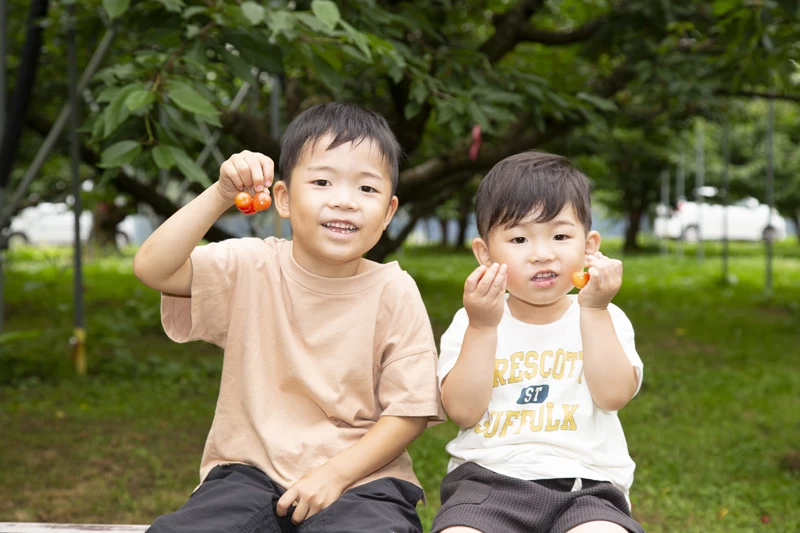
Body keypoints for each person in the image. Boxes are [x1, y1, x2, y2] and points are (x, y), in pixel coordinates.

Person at [133, 102, 445, 533]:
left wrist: (335, 475)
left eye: (366, 190)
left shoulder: (394, 289)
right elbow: (154, 268)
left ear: (389, 212)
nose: (344, 201)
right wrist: (222, 192)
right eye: (321, 181)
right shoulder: (250, 265)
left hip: (364, 479)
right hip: (249, 471)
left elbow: (409, 411)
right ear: (282, 197)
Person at [431, 151, 646, 533]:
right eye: (518, 238)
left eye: (561, 236)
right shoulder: (472, 320)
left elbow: (613, 396)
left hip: (587, 487)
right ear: (484, 254)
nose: (542, 254)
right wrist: (482, 328)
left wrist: (594, 311)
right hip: (486, 484)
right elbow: (462, 412)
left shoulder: (605, 316)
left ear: (590, 246)